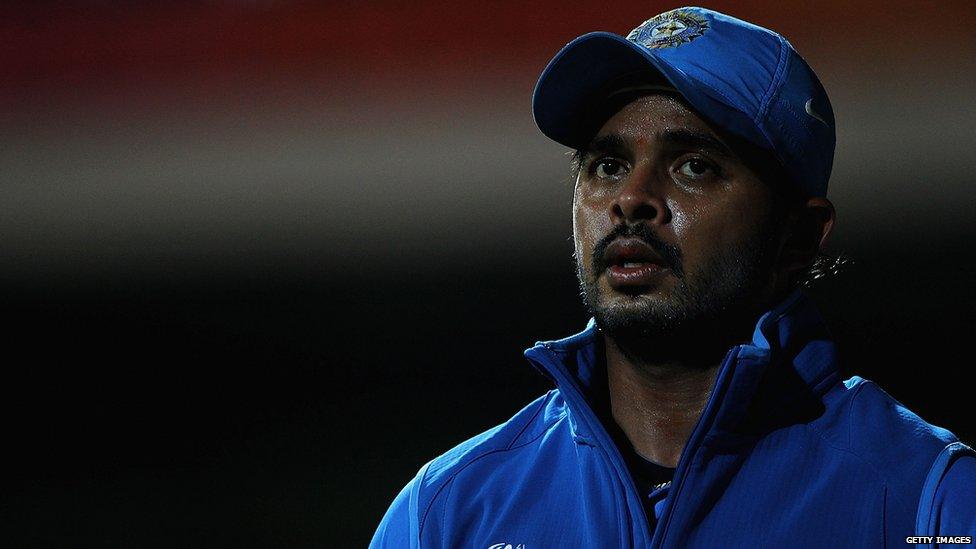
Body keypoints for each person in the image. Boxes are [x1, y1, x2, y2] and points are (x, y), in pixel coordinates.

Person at [370, 7, 975, 548]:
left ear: (797, 236)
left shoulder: (931, 500)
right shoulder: (446, 513)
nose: (631, 199)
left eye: (694, 166)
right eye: (608, 164)